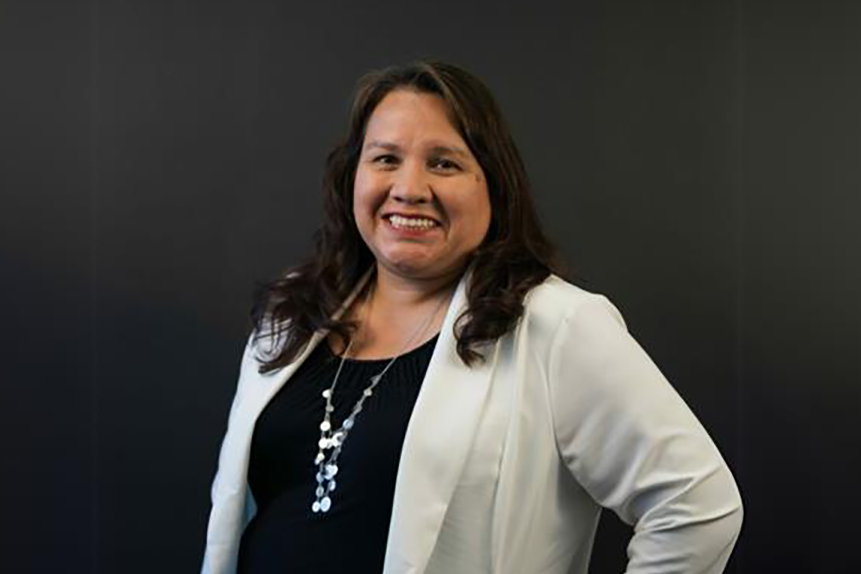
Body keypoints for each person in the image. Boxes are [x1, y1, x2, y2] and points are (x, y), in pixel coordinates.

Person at [201, 60, 743, 574]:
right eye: (385, 158)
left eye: (444, 162)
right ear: (353, 178)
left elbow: (695, 503)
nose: (409, 188)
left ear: (494, 185)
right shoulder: (292, 315)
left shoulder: (557, 326)